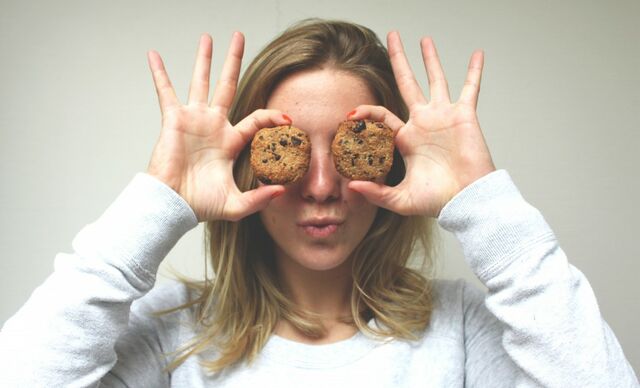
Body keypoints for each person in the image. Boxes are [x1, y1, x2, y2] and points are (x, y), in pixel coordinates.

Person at [0, 19, 637, 387]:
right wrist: (158, 202)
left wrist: (484, 202)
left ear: (390, 155)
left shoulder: (463, 330)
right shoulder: (174, 334)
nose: (325, 186)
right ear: (250, 158)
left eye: (352, 146)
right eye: (293, 148)